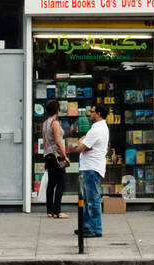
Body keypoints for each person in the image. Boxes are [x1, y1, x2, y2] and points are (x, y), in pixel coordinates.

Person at [69, 103, 109, 238]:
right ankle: (86, 226)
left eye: (92, 112)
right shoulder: (100, 127)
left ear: (98, 114)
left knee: (92, 200)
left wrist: (77, 146)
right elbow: (85, 145)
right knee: (86, 199)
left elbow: (81, 148)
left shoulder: (96, 129)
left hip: (91, 167)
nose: (90, 114)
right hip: (91, 166)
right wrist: (83, 144)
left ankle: (96, 228)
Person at [42, 98, 70, 219]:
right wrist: (65, 156)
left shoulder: (45, 123)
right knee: (61, 183)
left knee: (51, 183)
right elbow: (58, 142)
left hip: (48, 155)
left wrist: (45, 158)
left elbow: (44, 142)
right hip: (56, 156)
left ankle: (50, 211)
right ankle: (58, 211)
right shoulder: (55, 123)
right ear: (57, 110)